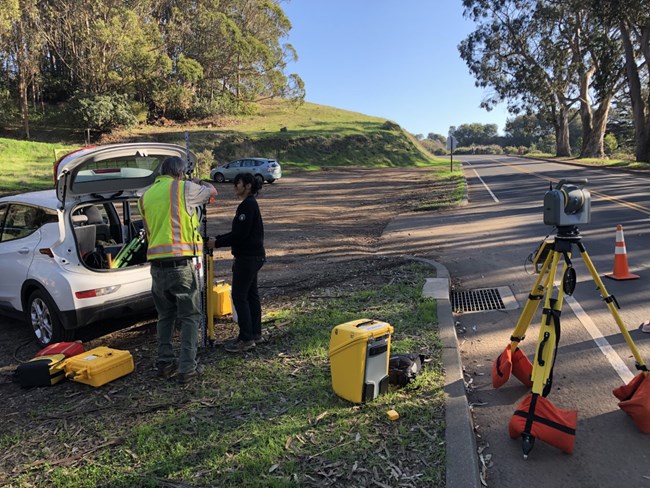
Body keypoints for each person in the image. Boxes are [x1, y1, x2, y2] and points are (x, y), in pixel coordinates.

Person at [139, 156, 217, 384]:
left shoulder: (145, 196)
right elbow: (212, 192)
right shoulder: (183, 188)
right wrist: (200, 183)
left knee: (165, 315)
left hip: (156, 267)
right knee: (191, 316)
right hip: (180, 265)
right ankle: (186, 367)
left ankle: (164, 362)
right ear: (180, 173)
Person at [209, 172, 265, 353]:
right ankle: (255, 333)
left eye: (237, 184)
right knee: (251, 294)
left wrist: (216, 242)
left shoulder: (247, 206)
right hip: (254, 256)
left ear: (248, 186)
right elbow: (239, 233)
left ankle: (246, 338)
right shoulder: (248, 205)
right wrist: (217, 238)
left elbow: (240, 235)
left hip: (247, 258)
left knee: (240, 296)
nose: (235, 187)